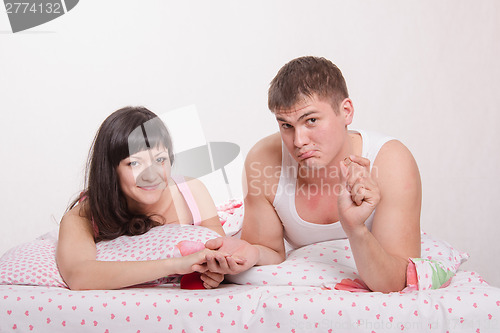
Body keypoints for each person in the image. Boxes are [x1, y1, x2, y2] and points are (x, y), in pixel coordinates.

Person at [199, 56, 422, 293]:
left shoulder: (391, 161)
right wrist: (249, 253)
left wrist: (355, 229)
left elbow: (397, 283)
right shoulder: (263, 159)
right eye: (286, 125)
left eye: (311, 120)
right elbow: (271, 251)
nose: (298, 141)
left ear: (346, 111)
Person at [56, 106, 226, 290]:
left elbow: (221, 254)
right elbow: (78, 276)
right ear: (110, 170)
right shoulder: (84, 215)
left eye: (160, 160)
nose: (151, 176)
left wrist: (216, 273)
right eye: (134, 163)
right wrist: (176, 265)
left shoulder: (192, 192)